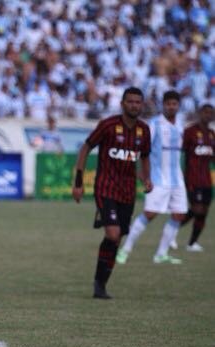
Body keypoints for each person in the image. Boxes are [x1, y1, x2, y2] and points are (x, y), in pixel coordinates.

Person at [72, 87, 152, 299]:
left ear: (141, 105)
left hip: (128, 192)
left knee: (116, 239)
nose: (134, 105)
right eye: (130, 101)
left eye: (138, 102)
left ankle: (102, 284)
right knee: (113, 233)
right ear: (122, 104)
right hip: (105, 188)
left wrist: (146, 178)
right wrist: (78, 182)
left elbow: (144, 157)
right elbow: (85, 148)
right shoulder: (108, 125)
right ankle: (99, 283)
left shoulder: (144, 130)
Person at [116, 90, 187, 265]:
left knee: (179, 215)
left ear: (178, 106)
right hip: (158, 178)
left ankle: (161, 254)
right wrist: (143, 174)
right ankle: (125, 249)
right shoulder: (154, 124)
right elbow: (141, 149)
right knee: (150, 214)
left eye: (174, 104)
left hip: (177, 179)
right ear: (163, 105)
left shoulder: (181, 124)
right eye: (168, 103)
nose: (172, 107)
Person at [179, 103, 214, 251]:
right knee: (197, 209)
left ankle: (192, 243)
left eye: (211, 113)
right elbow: (181, 152)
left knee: (204, 212)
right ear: (200, 113)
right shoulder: (190, 131)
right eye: (205, 112)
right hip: (193, 178)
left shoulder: (212, 134)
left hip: (206, 179)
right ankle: (172, 230)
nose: (208, 115)